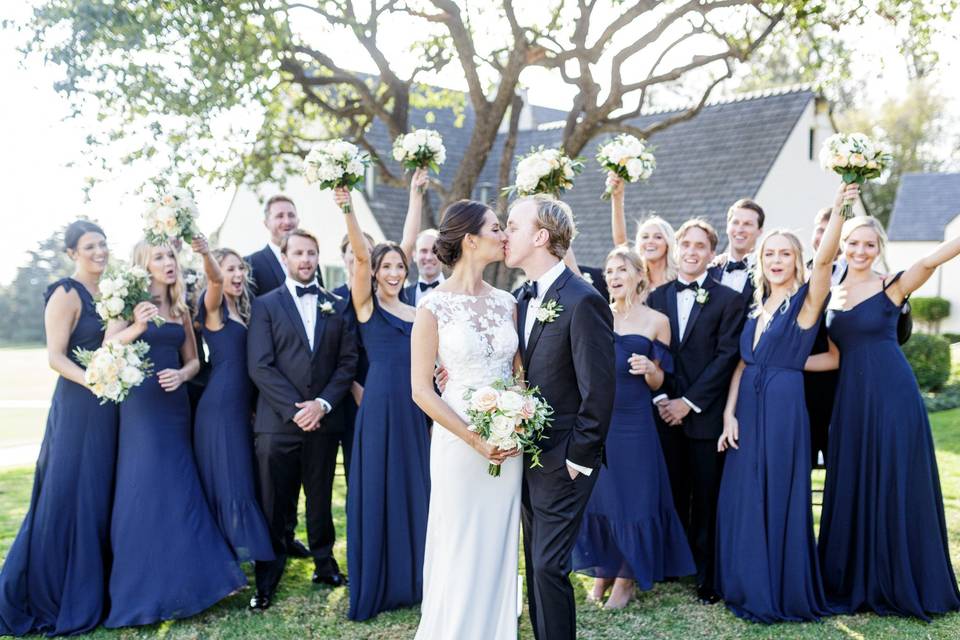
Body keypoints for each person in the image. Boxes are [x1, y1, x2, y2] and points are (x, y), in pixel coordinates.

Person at [713, 184, 854, 623]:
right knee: (742, 494)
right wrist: (727, 414)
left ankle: (775, 585)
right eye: (769, 254)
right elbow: (742, 365)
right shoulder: (756, 309)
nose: (776, 260)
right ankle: (742, 581)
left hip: (782, 411)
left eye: (784, 254)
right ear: (761, 260)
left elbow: (827, 259)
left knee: (775, 492)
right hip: (746, 412)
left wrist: (838, 208)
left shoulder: (805, 303)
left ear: (797, 260)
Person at [819, 215, 960, 619]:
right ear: (842, 245)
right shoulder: (833, 293)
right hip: (851, 402)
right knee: (856, 478)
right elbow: (833, 357)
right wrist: (774, 364)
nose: (859, 251)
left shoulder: (891, 285)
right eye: (852, 243)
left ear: (878, 247)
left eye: (868, 244)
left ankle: (899, 576)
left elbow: (932, 262)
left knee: (895, 477)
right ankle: (856, 576)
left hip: (892, 395)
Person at [105, 240, 245, 628]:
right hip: (141, 411)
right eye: (160, 257)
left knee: (179, 488)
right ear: (144, 265)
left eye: (171, 256)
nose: (169, 263)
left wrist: (182, 376)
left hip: (174, 407)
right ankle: (142, 588)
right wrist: (137, 326)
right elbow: (107, 347)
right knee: (144, 489)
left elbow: (194, 361)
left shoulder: (182, 308)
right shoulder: (127, 303)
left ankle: (197, 581)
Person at [505, 195, 616, 640]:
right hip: (526, 454)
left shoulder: (583, 300)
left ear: (540, 236)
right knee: (536, 565)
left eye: (512, 226)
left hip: (565, 458)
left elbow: (600, 389)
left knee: (549, 565)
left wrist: (579, 457)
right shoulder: (520, 296)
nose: (504, 234)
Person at [411, 200, 522, 639]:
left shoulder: (508, 302)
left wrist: (518, 414)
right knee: (459, 541)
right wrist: (476, 439)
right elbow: (421, 390)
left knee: (497, 541)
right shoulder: (432, 307)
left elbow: (519, 373)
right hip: (459, 441)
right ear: (471, 240)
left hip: (508, 440)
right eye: (497, 228)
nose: (505, 235)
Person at [0, 222, 117, 637]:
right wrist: (97, 381)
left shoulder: (114, 292)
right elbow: (55, 356)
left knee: (98, 493)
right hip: (78, 405)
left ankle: (93, 587)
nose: (99, 251)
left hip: (109, 409)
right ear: (72, 253)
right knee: (66, 493)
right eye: (90, 246)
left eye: (103, 243)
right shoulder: (67, 292)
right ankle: (52, 592)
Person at [573, 245, 695, 609]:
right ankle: (603, 571)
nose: (613, 277)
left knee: (635, 498)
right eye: (610, 271)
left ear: (639, 275)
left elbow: (662, 382)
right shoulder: (594, 314)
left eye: (622, 270)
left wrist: (650, 369)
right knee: (603, 495)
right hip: (600, 418)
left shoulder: (657, 321)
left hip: (635, 421)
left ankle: (626, 578)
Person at [246, 229, 358, 610]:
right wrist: (298, 409)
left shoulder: (336, 305)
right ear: (286, 257)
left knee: (321, 499)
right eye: (299, 253)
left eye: (312, 253)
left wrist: (322, 404)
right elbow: (260, 366)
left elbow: (347, 363)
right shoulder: (265, 305)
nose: (306, 260)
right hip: (277, 426)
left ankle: (324, 564)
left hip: (324, 422)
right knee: (274, 504)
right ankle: (267, 578)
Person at [333, 185, 431, 622]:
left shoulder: (414, 307)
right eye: (385, 265)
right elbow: (359, 255)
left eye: (398, 266)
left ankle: (414, 580)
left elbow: (406, 243)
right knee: (378, 490)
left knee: (416, 489)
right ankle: (379, 582)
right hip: (379, 409)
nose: (393, 271)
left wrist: (415, 196)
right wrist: (349, 209)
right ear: (373, 271)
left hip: (415, 408)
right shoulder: (367, 305)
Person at [646, 219, 745, 604]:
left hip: (704, 416)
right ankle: (673, 564)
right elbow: (652, 353)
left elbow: (726, 357)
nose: (691, 251)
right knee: (671, 492)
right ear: (676, 249)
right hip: (664, 414)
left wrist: (688, 403)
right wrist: (664, 401)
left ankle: (707, 576)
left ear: (711, 254)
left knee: (706, 498)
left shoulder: (729, 300)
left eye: (699, 246)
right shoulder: (657, 297)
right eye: (685, 244)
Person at [191, 236, 274, 563]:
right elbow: (212, 279)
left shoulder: (242, 309)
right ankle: (228, 558)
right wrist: (206, 254)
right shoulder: (213, 309)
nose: (237, 274)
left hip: (241, 406)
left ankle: (233, 555)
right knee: (230, 479)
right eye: (230, 269)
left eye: (241, 268)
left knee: (238, 477)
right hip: (221, 406)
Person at [245, 194, 314, 559]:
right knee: (272, 482)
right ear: (268, 222)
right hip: (270, 391)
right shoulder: (253, 264)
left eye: (291, 214)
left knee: (303, 479)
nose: (286, 220)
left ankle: (289, 537)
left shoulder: (311, 269)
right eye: (279, 216)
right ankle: (272, 546)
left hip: (309, 394)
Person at [332, 229, 376, 475]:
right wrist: (352, 386)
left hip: (376, 383)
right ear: (344, 256)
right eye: (354, 250)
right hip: (344, 392)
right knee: (353, 463)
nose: (361, 255)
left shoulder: (381, 299)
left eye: (369, 251)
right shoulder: (331, 299)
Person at [804, 206, 842, 468]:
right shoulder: (795, 271)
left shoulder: (861, 278)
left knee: (839, 461)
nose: (825, 238)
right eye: (821, 230)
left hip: (838, 386)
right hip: (799, 387)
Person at [608, 172, 677, 291]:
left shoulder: (680, 277)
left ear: (668, 243)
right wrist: (617, 197)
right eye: (645, 237)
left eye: (658, 237)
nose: (650, 241)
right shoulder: (636, 278)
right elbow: (620, 243)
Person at [708, 199, 765, 304]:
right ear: (727, 227)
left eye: (747, 224)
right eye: (735, 222)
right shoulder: (709, 272)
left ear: (759, 231)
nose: (740, 229)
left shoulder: (766, 273)